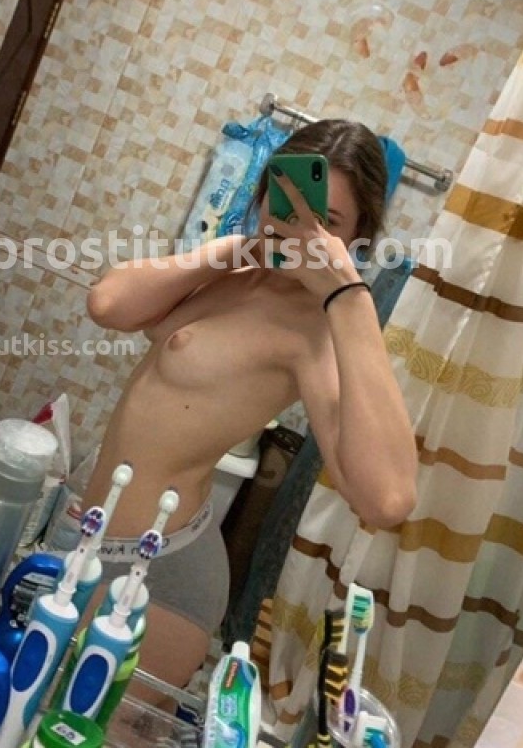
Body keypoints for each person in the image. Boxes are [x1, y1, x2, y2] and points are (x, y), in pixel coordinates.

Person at [83, 119, 418, 691]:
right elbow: (108, 304)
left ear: (355, 237)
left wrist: (348, 295)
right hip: (100, 537)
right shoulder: (234, 269)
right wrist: (238, 246)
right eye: (286, 203)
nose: (299, 229)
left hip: (159, 570)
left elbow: (386, 499)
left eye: (326, 222)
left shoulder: (313, 332)